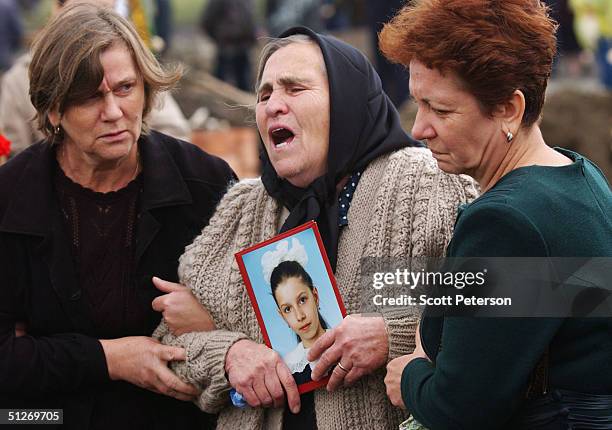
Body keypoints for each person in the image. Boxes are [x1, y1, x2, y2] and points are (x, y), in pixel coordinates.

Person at [152, 26, 478, 429]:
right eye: (265, 93)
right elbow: (168, 341)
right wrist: (230, 353)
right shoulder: (243, 209)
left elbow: (518, 299)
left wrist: (392, 335)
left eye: (294, 88)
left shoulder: (424, 186)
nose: (274, 105)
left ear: (346, 102)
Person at [0, 4, 234, 429]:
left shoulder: (205, 184)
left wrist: (213, 316)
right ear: (53, 110)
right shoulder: (11, 198)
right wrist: (109, 358)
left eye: (125, 88)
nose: (112, 112)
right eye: (90, 96)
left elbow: (262, 318)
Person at [380, 1, 612, 428]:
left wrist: (408, 376)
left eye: (441, 110)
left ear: (509, 108)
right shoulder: (580, 176)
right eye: (418, 103)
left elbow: (459, 409)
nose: (418, 128)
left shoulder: (507, 223)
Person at [0, 0, 191, 157]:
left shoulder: (131, 63)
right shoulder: (20, 79)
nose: (112, 112)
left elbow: (174, 134)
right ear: (58, 10)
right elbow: (13, 154)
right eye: (88, 97)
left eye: (108, 13)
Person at [265, 241, 328, 385]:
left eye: (302, 300)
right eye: (287, 309)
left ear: (315, 297)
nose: (300, 316)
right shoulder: (287, 367)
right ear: (282, 316)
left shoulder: (345, 341)